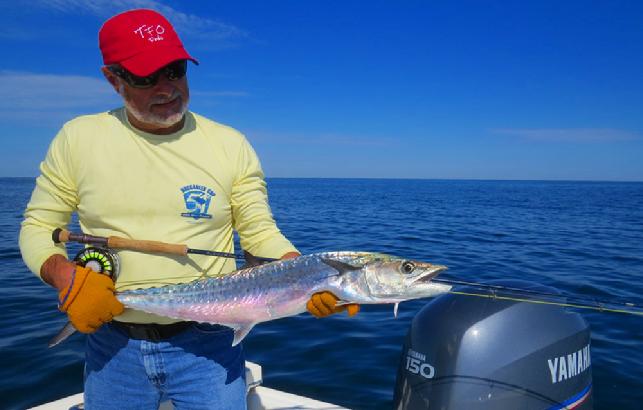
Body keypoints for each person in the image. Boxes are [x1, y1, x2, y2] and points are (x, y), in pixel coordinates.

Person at [19, 8, 358, 410]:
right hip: (112, 344)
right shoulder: (78, 138)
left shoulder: (229, 144)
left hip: (210, 344)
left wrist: (303, 275)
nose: (167, 88)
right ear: (113, 78)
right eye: (146, 77)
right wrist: (66, 278)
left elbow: (258, 231)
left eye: (176, 70)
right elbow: (39, 226)